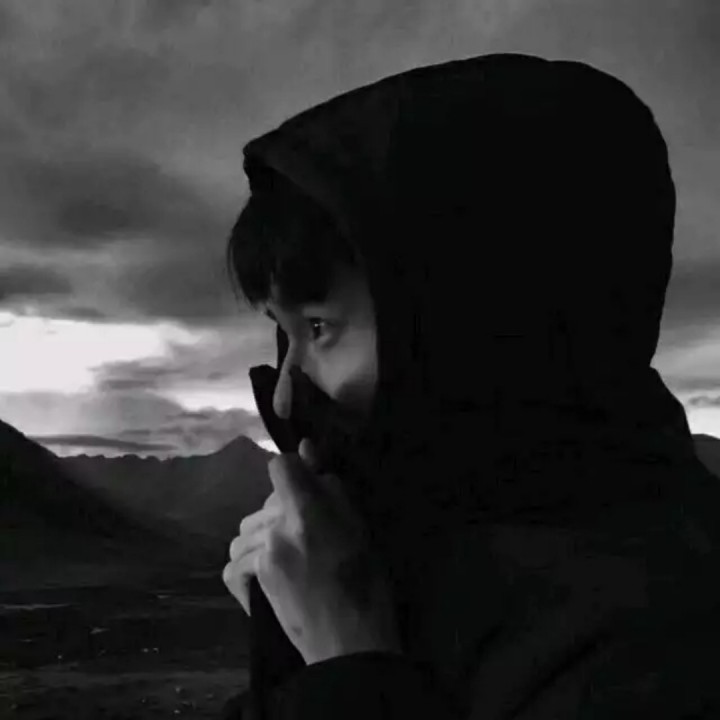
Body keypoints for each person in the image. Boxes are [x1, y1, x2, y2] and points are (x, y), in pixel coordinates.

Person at [221, 53, 720, 719]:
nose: (284, 397)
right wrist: (295, 646)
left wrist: (348, 665)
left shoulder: (660, 647)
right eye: (283, 333)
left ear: (468, 320)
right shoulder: (401, 550)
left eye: (320, 326)